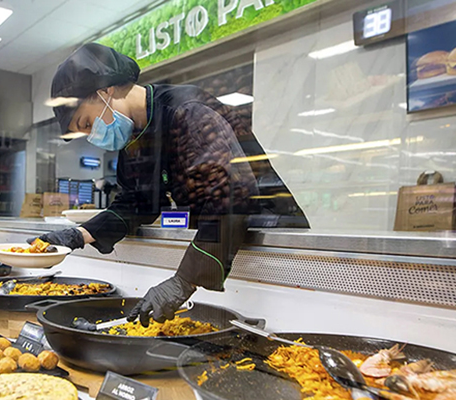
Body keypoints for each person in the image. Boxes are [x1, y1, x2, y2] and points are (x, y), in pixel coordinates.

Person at [34, 43, 307, 327]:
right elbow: (136, 203)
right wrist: (79, 235)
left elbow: (228, 198)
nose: (93, 136)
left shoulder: (187, 112)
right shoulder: (135, 138)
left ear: (106, 91)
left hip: (274, 246)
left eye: (87, 123)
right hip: (224, 249)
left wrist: (183, 282)